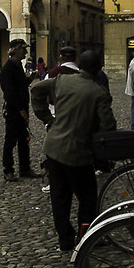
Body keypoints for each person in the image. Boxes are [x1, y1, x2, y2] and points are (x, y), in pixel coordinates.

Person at [34, 50, 115, 254]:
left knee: (60, 197)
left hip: (53, 147)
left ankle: (65, 240)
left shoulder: (62, 80)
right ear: (98, 69)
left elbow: (35, 89)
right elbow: (108, 126)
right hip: (78, 152)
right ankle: (87, 236)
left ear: (80, 65)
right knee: (87, 197)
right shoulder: (98, 92)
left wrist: (45, 116)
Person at [0, 41, 37, 179]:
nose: (26, 52)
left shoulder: (17, 66)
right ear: (15, 50)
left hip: (21, 109)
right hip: (14, 111)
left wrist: (30, 79)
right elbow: (9, 93)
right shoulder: (8, 68)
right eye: (23, 49)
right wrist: (21, 110)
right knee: (10, 141)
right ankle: (8, 170)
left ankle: (25, 169)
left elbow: (20, 87)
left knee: (24, 140)